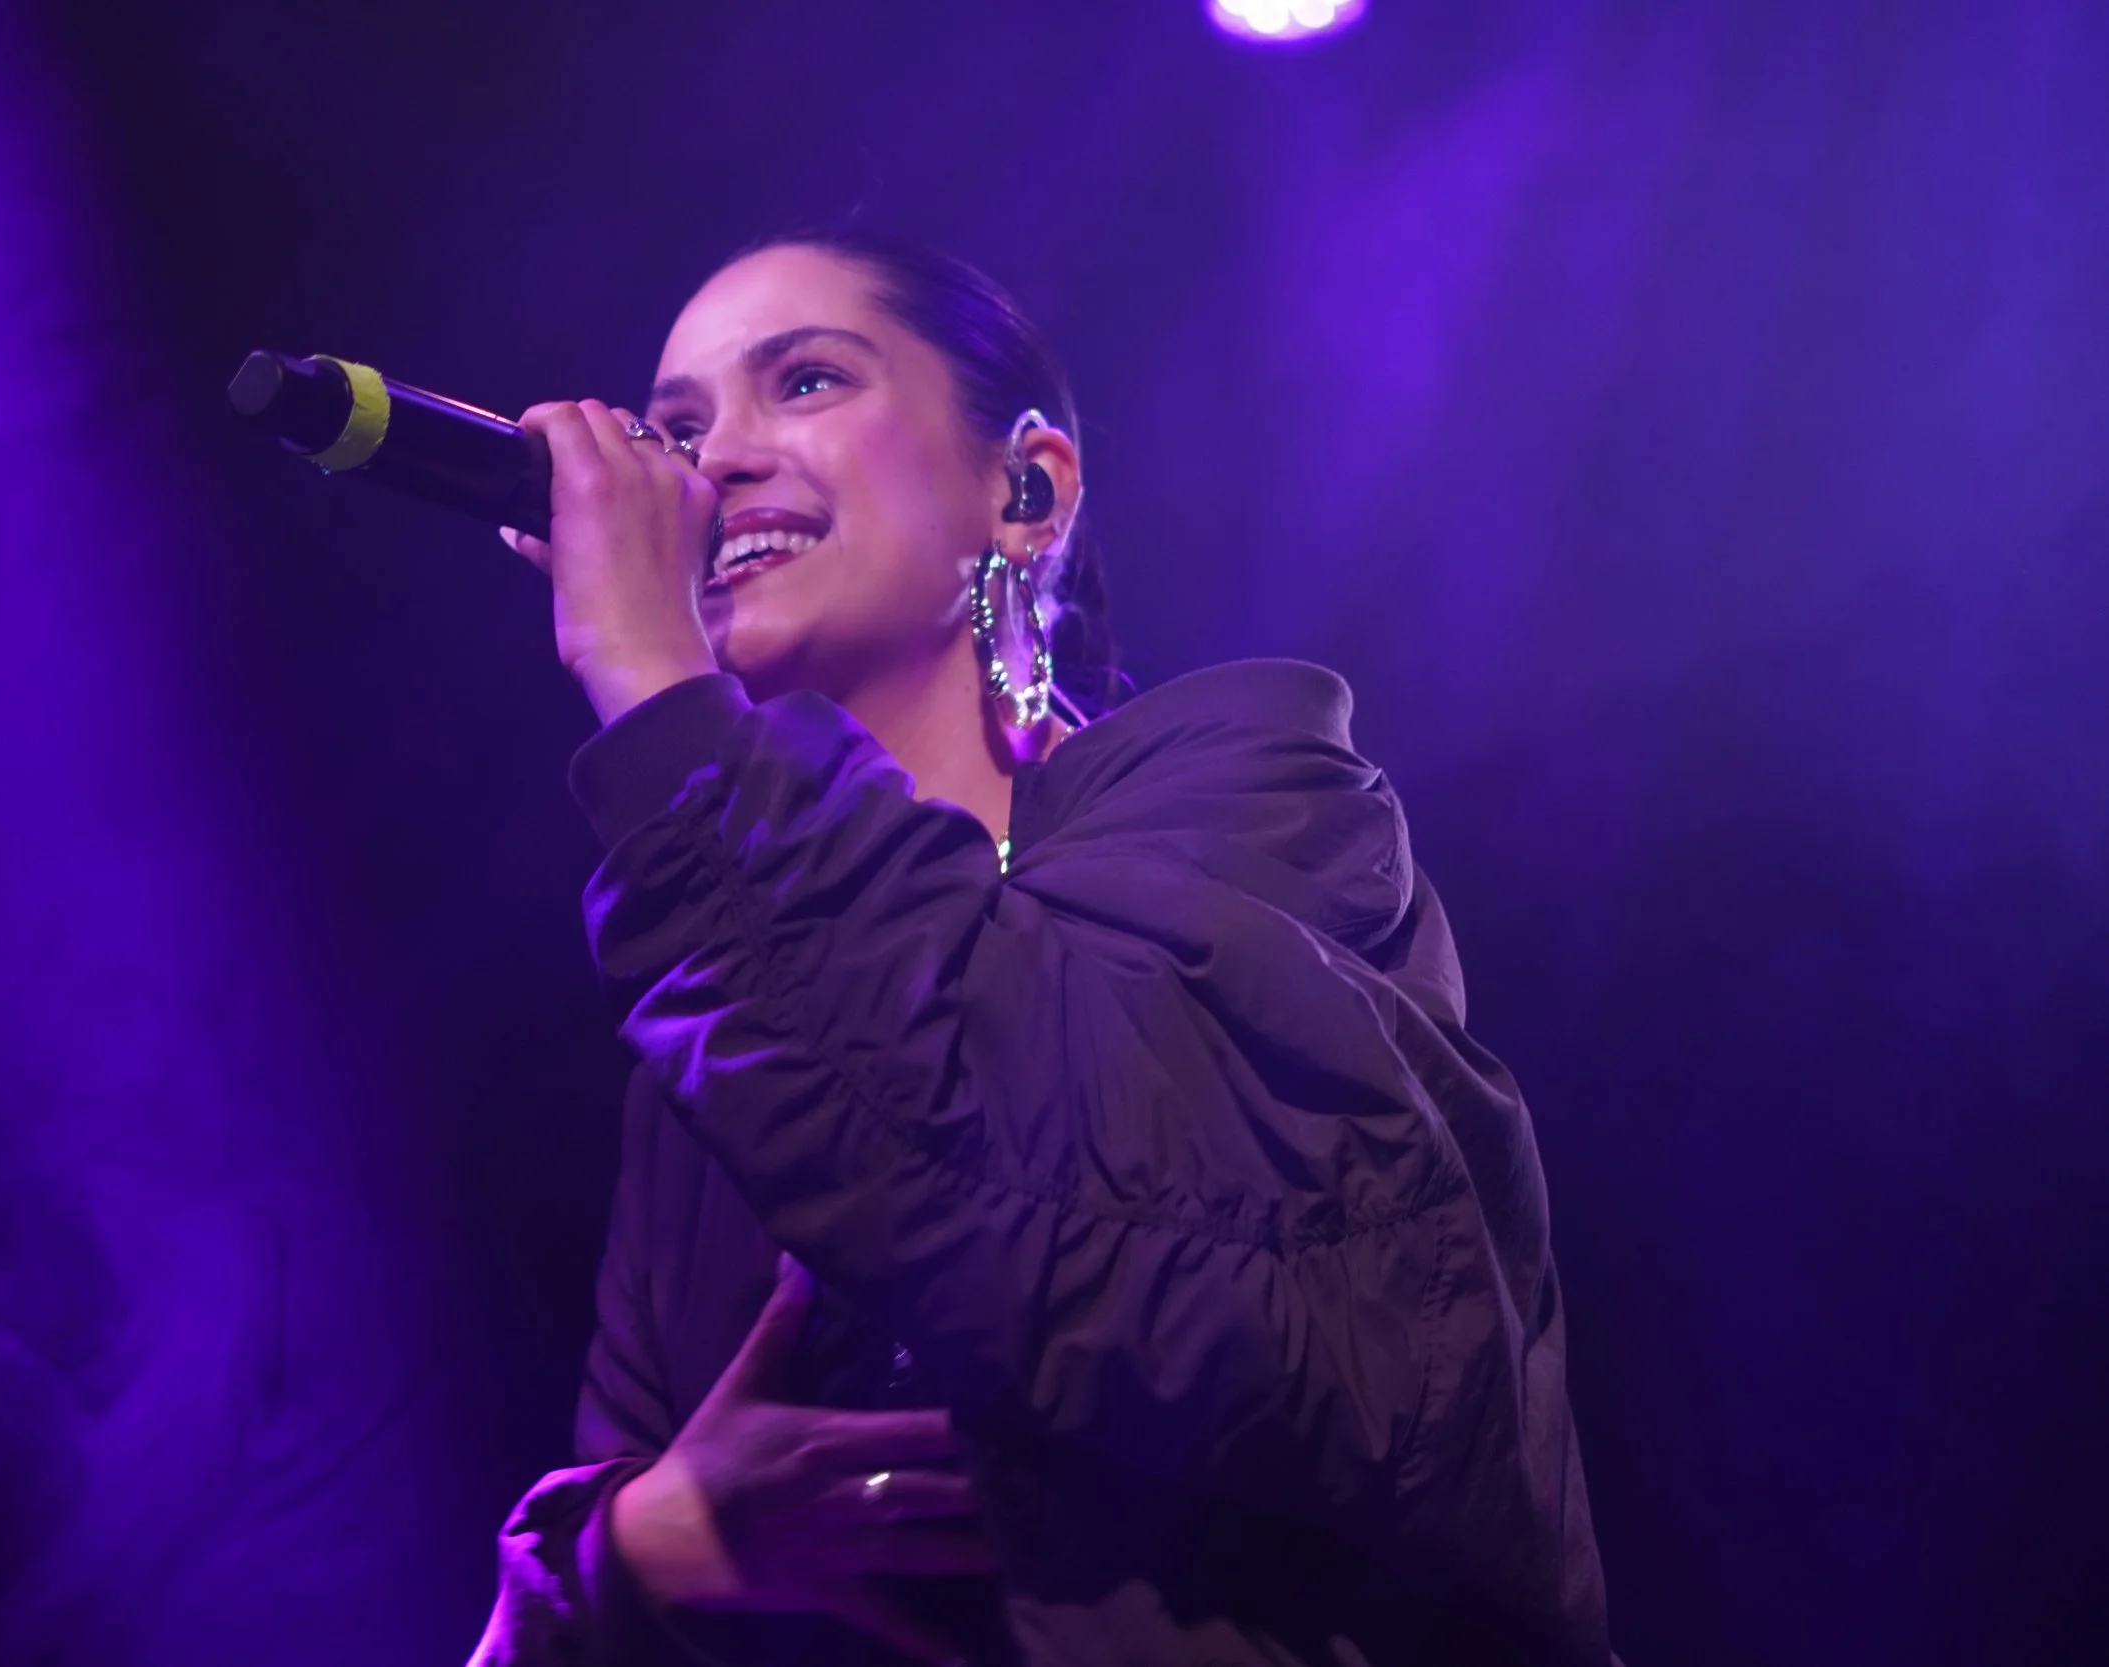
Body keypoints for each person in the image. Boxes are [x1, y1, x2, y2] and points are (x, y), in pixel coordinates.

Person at [470, 229, 1616, 1667]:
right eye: (680, 430)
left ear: (1026, 490)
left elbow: (1068, 1208)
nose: (712, 469)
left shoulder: (1261, 811)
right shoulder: (716, 1035)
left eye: (806, 383)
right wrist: (634, 1551)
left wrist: (650, 681)